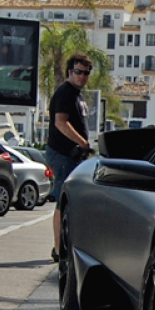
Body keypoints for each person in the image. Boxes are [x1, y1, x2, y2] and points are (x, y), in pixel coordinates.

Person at [46, 53, 94, 261]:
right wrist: (81, 142)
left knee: (69, 201)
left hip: (73, 156)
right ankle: (58, 249)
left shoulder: (77, 95)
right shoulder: (65, 93)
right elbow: (60, 122)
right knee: (61, 201)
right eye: (78, 72)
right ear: (69, 72)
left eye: (86, 73)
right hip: (63, 154)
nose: (82, 76)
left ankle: (64, 245)